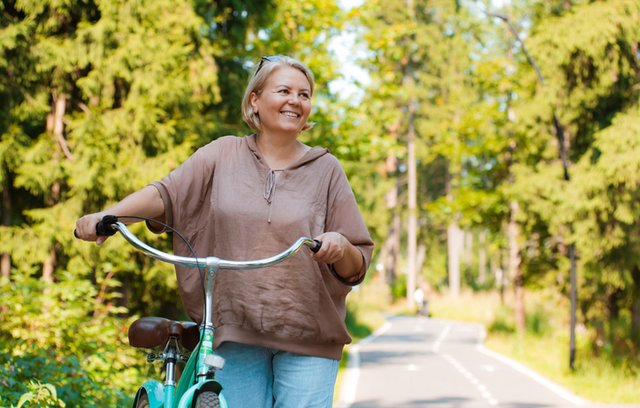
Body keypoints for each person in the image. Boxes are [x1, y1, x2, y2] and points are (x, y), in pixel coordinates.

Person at [75, 55, 374, 408]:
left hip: (307, 334)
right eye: (284, 90)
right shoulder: (221, 154)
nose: (296, 100)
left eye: (304, 94)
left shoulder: (326, 169)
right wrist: (110, 215)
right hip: (235, 329)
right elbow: (166, 194)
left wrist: (340, 245)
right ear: (255, 100)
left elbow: (357, 262)